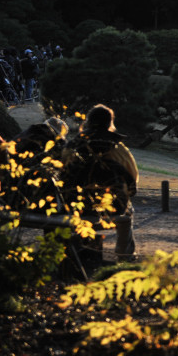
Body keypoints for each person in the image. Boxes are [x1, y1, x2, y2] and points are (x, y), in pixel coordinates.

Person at [62, 104, 139, 262]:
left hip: (74, 207)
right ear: (110, 122)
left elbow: (62, 173)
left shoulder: (73, 146)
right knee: (128, 210)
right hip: (112, 210)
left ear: (88, 121)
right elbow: (133, 177)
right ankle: (124, 253)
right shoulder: (117, 147)